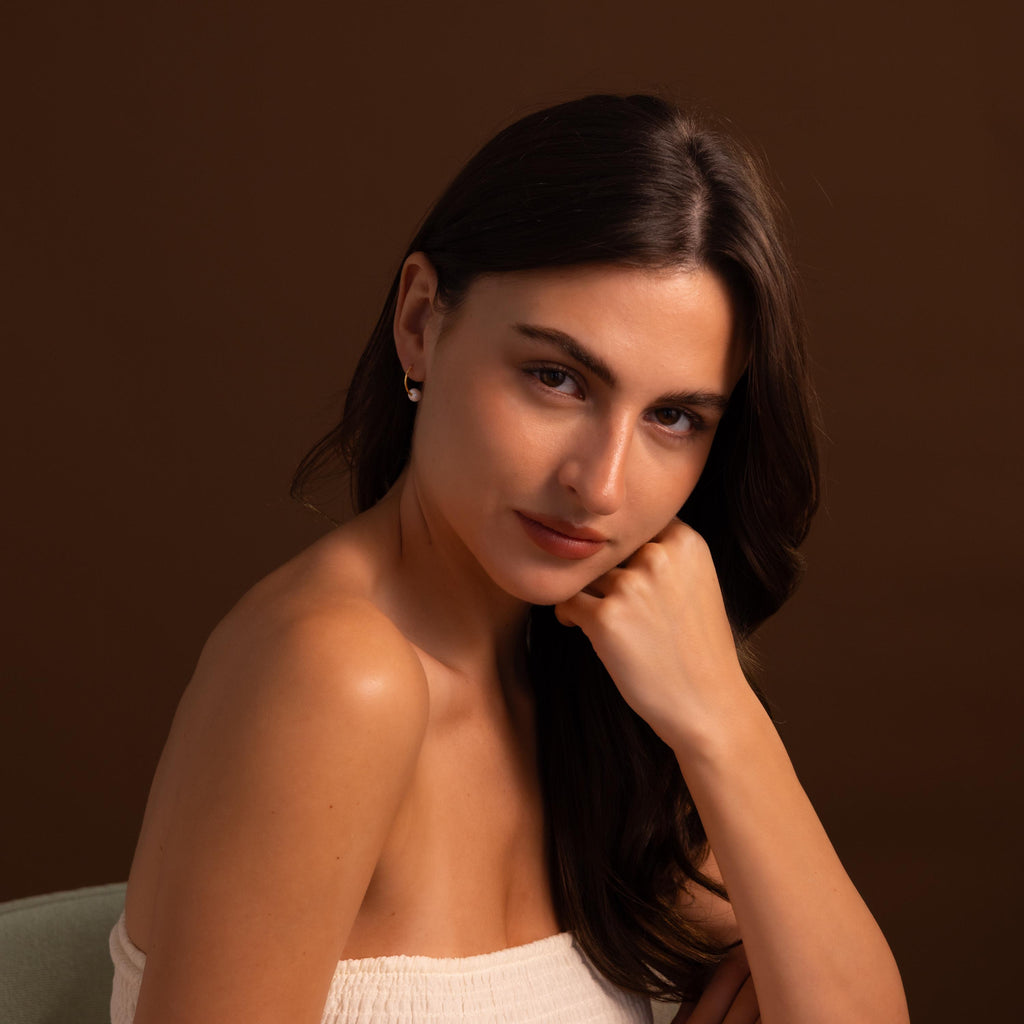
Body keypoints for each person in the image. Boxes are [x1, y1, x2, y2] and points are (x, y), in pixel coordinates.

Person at [110, 94, 909, 1024]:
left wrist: (717, 715)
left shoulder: (594, 688)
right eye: (556, 378)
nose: (601, 484)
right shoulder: (336, 674)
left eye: (673, 418)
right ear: (420, 320)